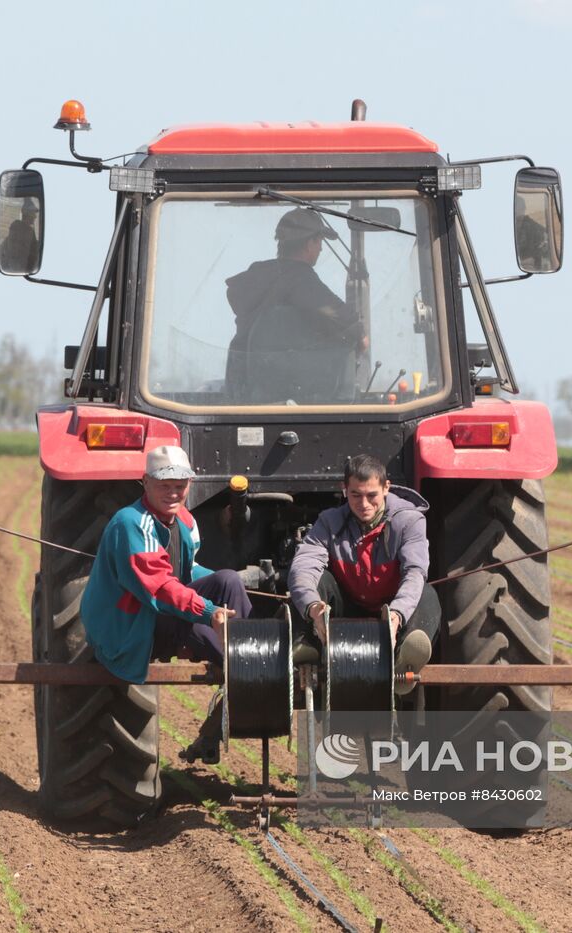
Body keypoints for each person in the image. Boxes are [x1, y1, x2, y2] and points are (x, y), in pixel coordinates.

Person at [81, 445, 252, 763]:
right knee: (208, 637)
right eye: (164, 485)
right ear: (145, 482)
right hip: (130, 629)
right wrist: (209, 611)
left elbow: (188, 573)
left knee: (229, 580)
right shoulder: (131, 523)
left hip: (160, 611)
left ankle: (248, 667)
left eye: (180, 485)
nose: (173, 493)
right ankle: (249, 681)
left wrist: (220, 593)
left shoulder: (184, 520)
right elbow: (159, 587)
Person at [287, 454, 439, 694]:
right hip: (347, 606)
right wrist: (312, 606)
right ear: (344, 489)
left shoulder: (410, 521)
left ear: (386, 488)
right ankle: (307, 645)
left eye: (372, 496)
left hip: (393, 610)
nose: (364, 504)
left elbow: (414, 571)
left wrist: (397, 614)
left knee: (426, 593)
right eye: (356, 495)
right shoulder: (329, 522)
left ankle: (405, 658)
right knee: (317, 582)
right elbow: (303, 565)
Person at [224, 208, 364, 399]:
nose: (321, 248)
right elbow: (339, 317)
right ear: (309, 243)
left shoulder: (257, 277)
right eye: (320, 242)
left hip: (246, 394)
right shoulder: (300, 278)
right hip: (296, 397)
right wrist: (360, 334)